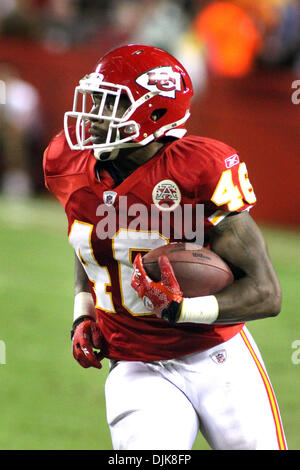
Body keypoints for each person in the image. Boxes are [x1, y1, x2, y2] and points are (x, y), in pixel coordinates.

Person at [43, 44, 287, 450]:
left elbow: (267, 293)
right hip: (135, 364)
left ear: (154, 113)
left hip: (217, 354)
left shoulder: (200, 169)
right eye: (96, 99)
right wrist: (82, 314)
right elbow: (90, 241)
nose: (93, 117)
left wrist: (182, 309)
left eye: (110, 103)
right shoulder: (67, 161)